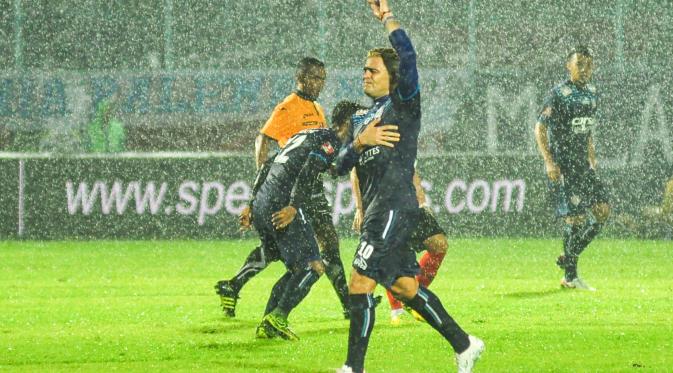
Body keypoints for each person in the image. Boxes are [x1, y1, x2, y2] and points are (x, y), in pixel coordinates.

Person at [333, 1, 484, 372]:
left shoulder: (403, 105)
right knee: (404, 288)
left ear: (392, 76)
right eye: (364, 69)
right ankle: (465, 344)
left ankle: (353, 368)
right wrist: (359, 142)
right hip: (378, 210)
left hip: (394, 208)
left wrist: (387, 19)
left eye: (373, 70)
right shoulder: (360, 119)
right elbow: (338, 167)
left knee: (359, 282)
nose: (365, 75)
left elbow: (409, 56)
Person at [215, 57, 351, 319]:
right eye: (315, 78)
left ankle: (233, 285)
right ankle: (348, 305)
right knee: (323, 244)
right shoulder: (288, 107)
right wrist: (263, 177)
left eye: (323, 78)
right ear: (301, 79)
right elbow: (262, 139)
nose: (320, 83)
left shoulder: (318, 109)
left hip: (310, 184)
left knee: (289, 247)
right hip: (292, 188)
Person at [243, 123, 347, 340]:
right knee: (313, 266)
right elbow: (309, 171)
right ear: (346, 124)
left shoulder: (305, 134)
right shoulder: (331, 141)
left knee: (296, 269)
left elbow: (267, 164)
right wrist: (293, 206)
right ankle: (278, 317)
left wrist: (251, 202)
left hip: (263, 202)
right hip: (282, 203)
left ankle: (268, 324)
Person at [534, 45, 611, 291]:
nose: (585, 68)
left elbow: (586, 130)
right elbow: (540, 128)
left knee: (602, 211)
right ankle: (570, 277)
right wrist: (548, 161)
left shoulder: (593, 92)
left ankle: (570, 254)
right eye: (579, 64)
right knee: (575, 219)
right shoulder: (559, 93)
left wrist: (592, 158)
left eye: (589, 64)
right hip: (564, 164)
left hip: (583, 165)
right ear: (569, 66)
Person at [353, 169, 448, 326]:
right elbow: (355, 173)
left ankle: (412, 296)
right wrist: (359, 208)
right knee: (391, 254)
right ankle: (397, 310)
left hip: (409, 204)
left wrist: (422, 202)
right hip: (381, 207)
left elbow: (411, 170)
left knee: (439, 244)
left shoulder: (404, 145)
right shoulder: (369, 145)